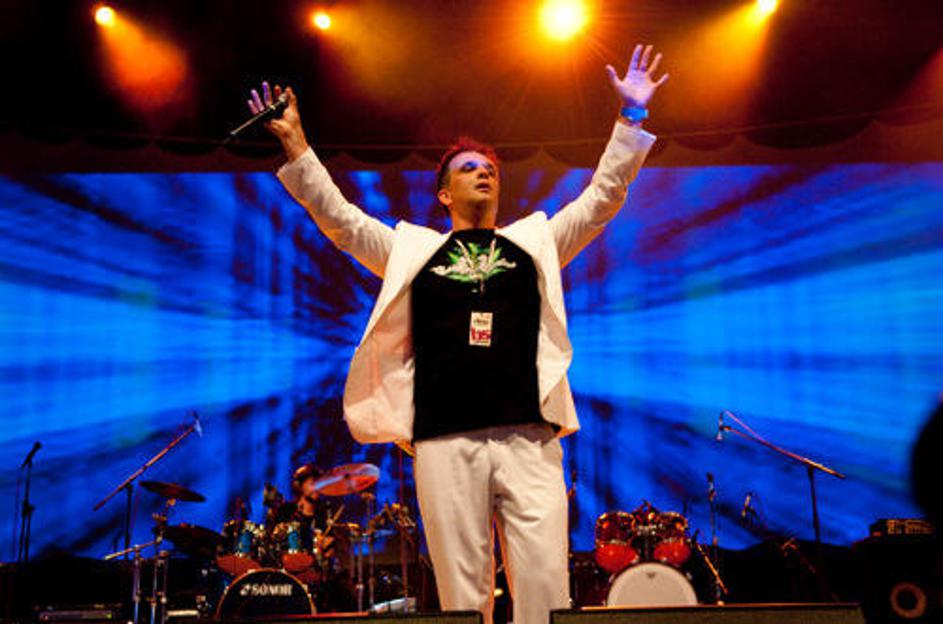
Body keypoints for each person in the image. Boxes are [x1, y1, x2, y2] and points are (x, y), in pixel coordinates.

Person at [247, 43, 667, 624]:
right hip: (445, 440)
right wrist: (295, 143)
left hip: (528, 437)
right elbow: (340, 220)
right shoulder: (411, 251)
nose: (484, 172)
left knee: (546, 590)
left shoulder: (534, 242)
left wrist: (632, 118)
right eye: (468, 168)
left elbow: (601, 200)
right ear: (444, 193)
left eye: (489, 168)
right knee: (464, 597)